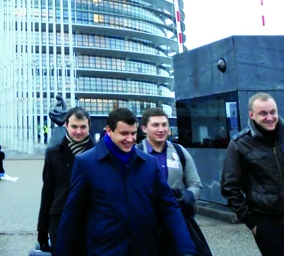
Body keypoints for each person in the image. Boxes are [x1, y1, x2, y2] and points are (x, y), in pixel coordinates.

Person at [55, 108, 196, 256]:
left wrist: (186, 249)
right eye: (124, 133)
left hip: (144, 250)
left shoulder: (148, 163)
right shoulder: (86, 163)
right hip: (105, 251)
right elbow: (72, 215)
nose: (130, 139)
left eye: (133, 133)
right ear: (109, 131)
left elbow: (169, 207)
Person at [221, 92, 284, 256]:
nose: (270, 117)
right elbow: (229, 187)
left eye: (273, 112)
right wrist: (252, 222)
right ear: (252, 115)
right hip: (266, 223)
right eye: (263, 113)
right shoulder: (239, 145)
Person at [137, 108, 208, 255]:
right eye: (155, 125)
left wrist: (188, 196)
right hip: (147, 223)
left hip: (177, 222)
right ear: (144, 128)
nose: (161, 129)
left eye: (164, 125)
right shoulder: (136, 154)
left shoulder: (179, 151)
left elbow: (195, 184)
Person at [37, 107, 95, 253]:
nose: (78, 131)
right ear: (66, 126)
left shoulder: (99, 153)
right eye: (74, 126)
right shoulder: (53, 153)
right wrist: (42, 229)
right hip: (60, 220)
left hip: (91, 220)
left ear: (89, 126)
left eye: (83, 127)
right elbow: (47, 191)